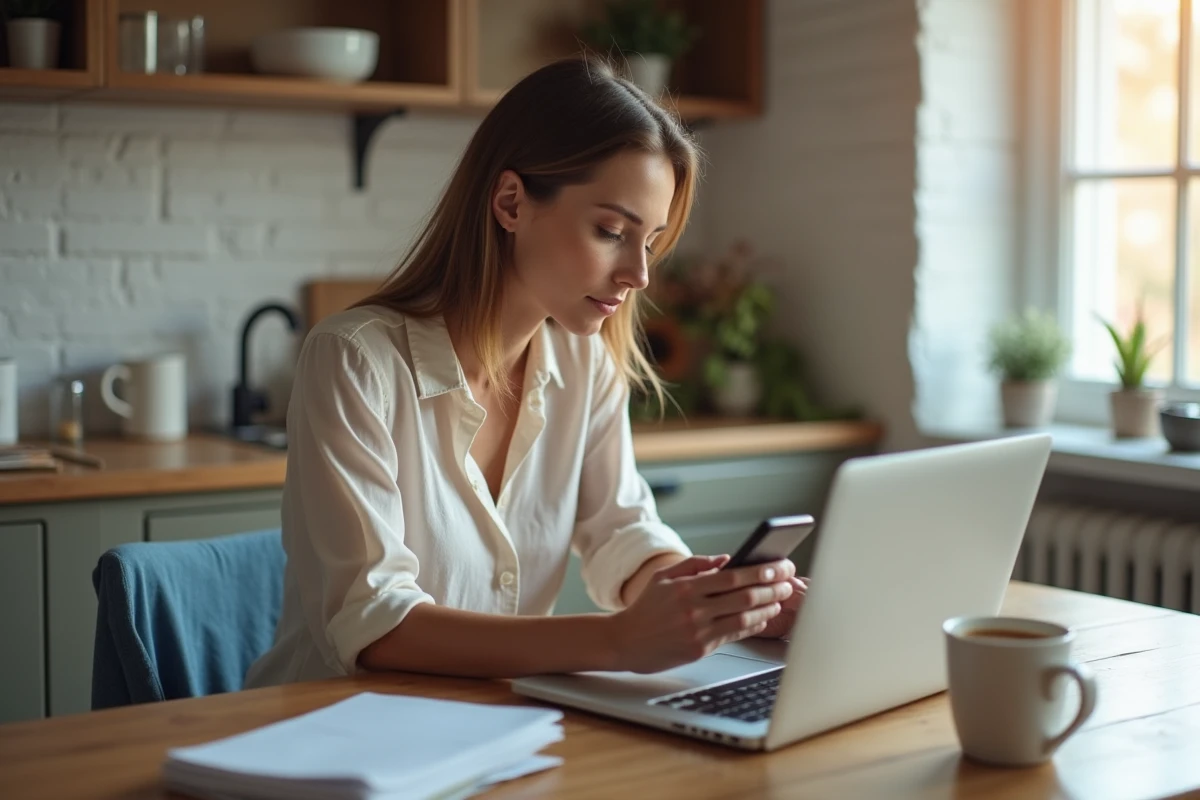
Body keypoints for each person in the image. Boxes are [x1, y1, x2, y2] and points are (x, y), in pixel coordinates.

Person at [244, 57, 805, 689]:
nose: (638, 275)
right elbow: (372, 621)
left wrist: (710, 601)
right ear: (511, 201)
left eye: (648, 243)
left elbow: (621, 532)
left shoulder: (584, 363)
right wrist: (617, 640)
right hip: (326, 734)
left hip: (496, 731)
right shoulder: (354, 361)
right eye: (610, 231)